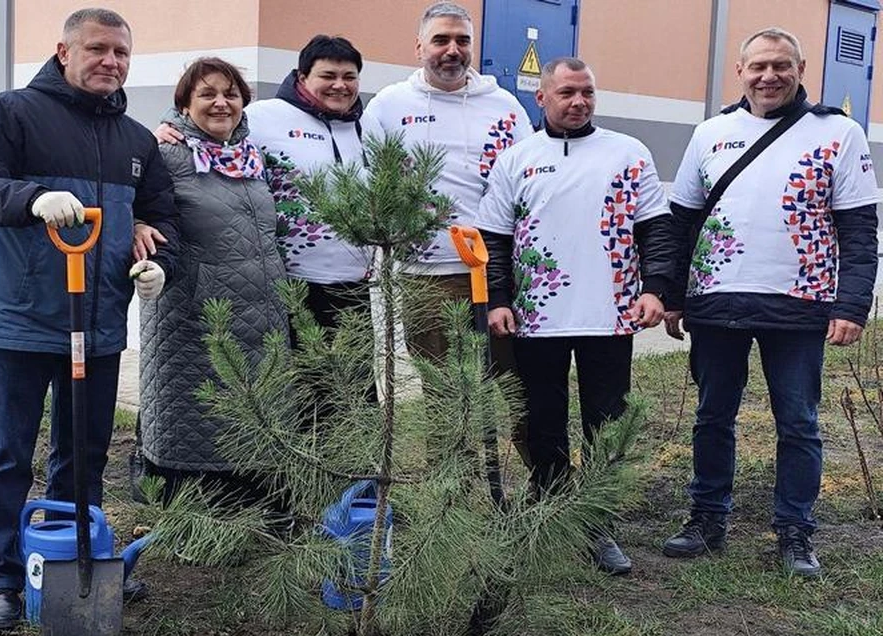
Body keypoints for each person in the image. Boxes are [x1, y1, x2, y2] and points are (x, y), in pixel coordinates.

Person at [0, 8, 179, 631]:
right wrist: (29, 199)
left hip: (99, 325)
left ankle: (81, 558)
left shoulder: (135, 141)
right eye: (98, 50)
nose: (111, 62)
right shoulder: (13, 113)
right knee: (5, 455)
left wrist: (160, 261)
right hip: (22, 322)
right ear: (63, 52)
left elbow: (161, 218)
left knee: (84, 455)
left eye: (121, 53)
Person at [660, 27, 879, 577]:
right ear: (740, 71)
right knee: (712, 417)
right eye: (758, 65)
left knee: (799, 422)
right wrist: (670, 294)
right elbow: (681, 221)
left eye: (782, 65)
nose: (769, 76)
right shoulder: (711, 132)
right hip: (716, 301)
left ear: (801, 68)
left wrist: (851, 305)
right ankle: (707, 519)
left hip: (801, 304)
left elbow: (859, 230)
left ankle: (795, 531)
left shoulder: (839, 132)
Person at [476, 58, 675, 575]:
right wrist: (498, 299)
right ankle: (550, 507)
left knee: (605, 422)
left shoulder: (628, 154)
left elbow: (656, 229)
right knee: (542, 419)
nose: (579, 102)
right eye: (567, 92)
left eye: (587, 92)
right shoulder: (516, 159)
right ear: (541, 98)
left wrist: (655, 289)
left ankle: (597, 521)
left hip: (610, 313)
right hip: (536, 316)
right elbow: (494, 239)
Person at [149, 35, 379, 334]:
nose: (340, 85)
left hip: (357, 283)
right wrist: (168, 125)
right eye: (328, 76)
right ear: (302, 77)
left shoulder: (369, 125)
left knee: (355, 379)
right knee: (293, 377)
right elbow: (213, 120)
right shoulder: (266, 116)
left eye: (349, 77)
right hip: (290, 282)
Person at [136, 58, 289, 507]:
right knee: (192, 407)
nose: (221, 103)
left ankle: (252, 504)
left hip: (262, 308)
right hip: (194, 310)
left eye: (231, 94)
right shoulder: (163, 154)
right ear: (184, 104)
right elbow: (134, 206)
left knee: (254, 404)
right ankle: (189, 508)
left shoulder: (252, 156)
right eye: (207, 94)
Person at [364, 1, 533, 363]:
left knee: (512, 379)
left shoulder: (506, 107)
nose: (453, 50)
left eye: (463, 40)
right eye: (441, 39)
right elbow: (370, 183)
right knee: (441, 382)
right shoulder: (388, 106)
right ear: (419, 47)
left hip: (499, 271)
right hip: (426, 273)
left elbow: (529, 182)